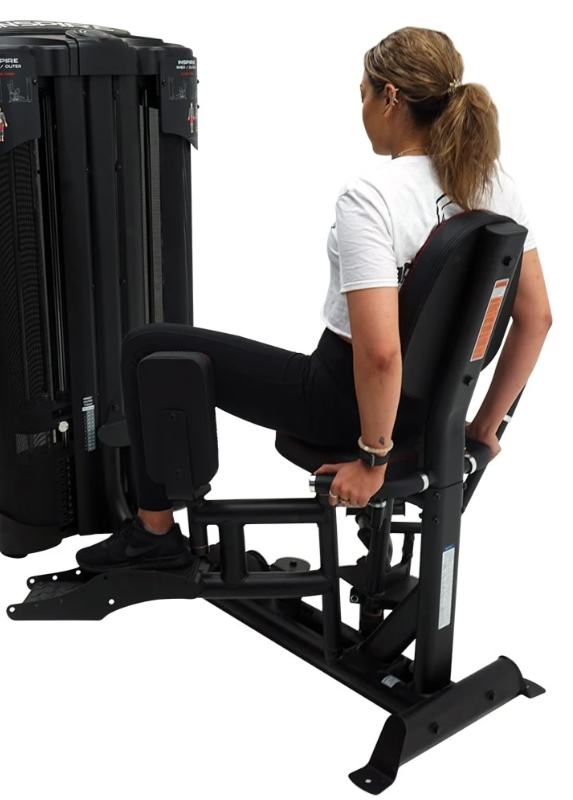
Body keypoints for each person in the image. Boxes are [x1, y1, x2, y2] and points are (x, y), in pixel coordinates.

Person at [76, 26, 552, 574]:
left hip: (342, 405)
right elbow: (536, 318)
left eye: (363, 94)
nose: (363, 108)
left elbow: (381, 355)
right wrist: (484, 427)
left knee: (148, 347)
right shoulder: (496, 185)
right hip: (433, 414)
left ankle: (152, 535)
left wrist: (372, 459)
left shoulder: (373, 197)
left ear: (390, 97)